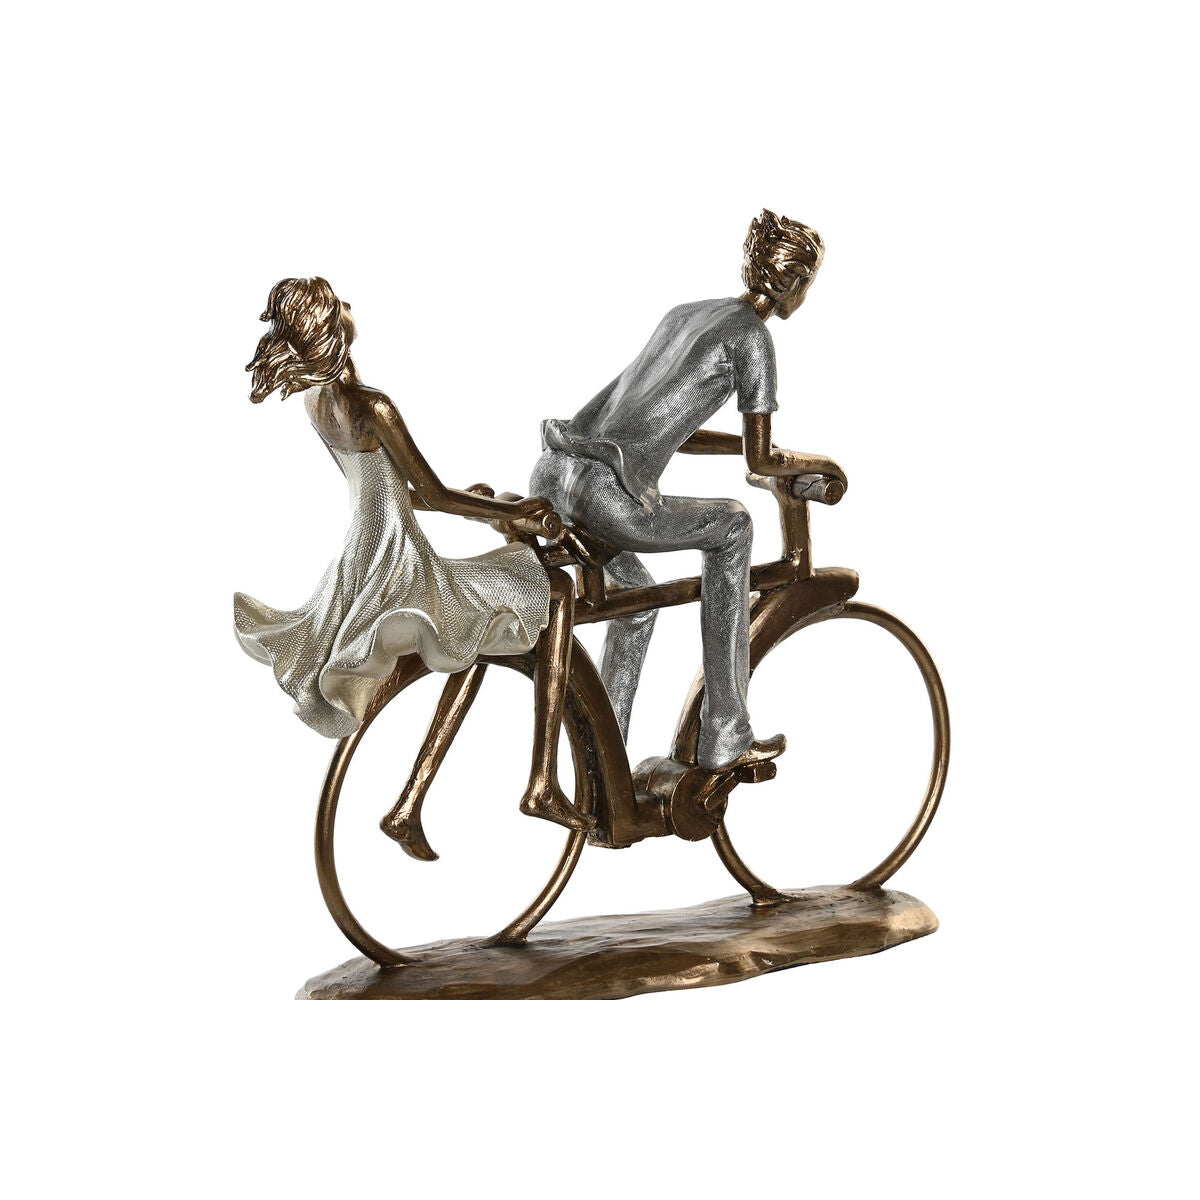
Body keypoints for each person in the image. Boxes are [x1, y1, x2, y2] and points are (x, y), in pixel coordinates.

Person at [234, 278, 593, 853]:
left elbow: (398, 490)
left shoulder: (317, 404)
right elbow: (431, 495)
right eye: (338, 304)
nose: (349, 306)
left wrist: (482, 503)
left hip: (360, 554)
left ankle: (410, 803)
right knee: (553, 591)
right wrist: (520, 512)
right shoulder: (370, 404)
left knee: (473, 632)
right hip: (397, 558)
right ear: (330, 329)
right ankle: (543, 779)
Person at [529, 210, 846, 771]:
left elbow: (675, 426)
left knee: (636, 604)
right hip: (609, 495)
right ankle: (726, 731)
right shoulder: (752, 337)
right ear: (794, 282)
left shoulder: (688, 314)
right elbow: (761, 459)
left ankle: (603, 771)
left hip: (557, 471)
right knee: (734, 525)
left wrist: (758, 448)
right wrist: (822, 464)